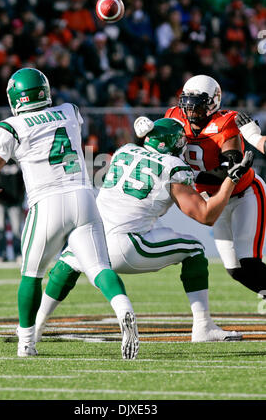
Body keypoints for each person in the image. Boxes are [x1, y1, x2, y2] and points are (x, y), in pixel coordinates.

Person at [0, 67, 139, 360]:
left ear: (15, 98)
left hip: (47, 203)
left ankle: (26, 344)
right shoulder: (69, 111)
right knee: (100, 268)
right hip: (85, 197)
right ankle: (123, 307)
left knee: (31, 274)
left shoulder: (12, 126)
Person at [34, 117, 253, 344]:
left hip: (91, 239)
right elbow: (206, 215)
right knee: (195, 249)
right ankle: (203, 326)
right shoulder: (173, 167)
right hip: (126, 246)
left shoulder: (124, 151)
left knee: (68, 262)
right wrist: (230, 180)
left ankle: (35, 325)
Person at [165, 74, 266, 298]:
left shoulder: (225, 122)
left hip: (244, 194)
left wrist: (187, 175)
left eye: (197, 105)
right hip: (216, 200)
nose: (190, 112)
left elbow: (228, 170)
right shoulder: (173, 117)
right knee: (235, 270)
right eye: (187, 105)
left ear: (213, 102)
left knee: (249, 263)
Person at [0, 159, 25, 263]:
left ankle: (18, 254)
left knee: (16, 231)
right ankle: (2, 254)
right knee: (0, 229)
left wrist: (20, 197)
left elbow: (25, 180)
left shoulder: (19, 160)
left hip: (15, 201)